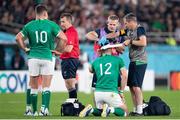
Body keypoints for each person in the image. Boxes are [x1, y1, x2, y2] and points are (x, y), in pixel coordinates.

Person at [16, 5, 67, 116]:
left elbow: (18, 38)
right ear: (45, 14)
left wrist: (25, 49)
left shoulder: (29, 25)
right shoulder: (51, 24)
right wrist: (58, 50)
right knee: (46, 86)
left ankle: (33, 111)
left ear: (36, 13)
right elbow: (64, 38)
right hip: (47, 57)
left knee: (33, 86)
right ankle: (44, 110)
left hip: (33, 57)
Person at [79, 41, 128, 118]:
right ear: (111, 49)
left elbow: (90, 70)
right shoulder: (118, 60)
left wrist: (99, 56)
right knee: (125, 111)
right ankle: (110, 109)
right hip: (111, 91)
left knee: (100, 111)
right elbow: (124, 76)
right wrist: (121, 91)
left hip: (98, 93)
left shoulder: (96, 61)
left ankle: (91, 110)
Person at [85, 15, 126, 89]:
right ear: (107, 23)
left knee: (117, 88)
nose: (112, 26)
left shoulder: (121, 34)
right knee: (97, 89)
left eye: (114, 24)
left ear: (117, 24)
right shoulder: (100, 31)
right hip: (100, 63)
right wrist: (99, 40)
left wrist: (113, 43)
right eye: (110, 24)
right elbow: (88, 35)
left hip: (113, 64)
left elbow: (122, 50)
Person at [123, 13, 147, 116]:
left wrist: (130, 41)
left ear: (131, 22)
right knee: (131, 87)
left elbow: (143, 42)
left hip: (140, 61)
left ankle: (140, 111)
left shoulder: (140, 29)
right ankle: (136, 109)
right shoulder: (128, 31)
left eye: (126, 23)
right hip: (133, 61)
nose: (125, 25)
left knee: (136, 87)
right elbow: (116, 34)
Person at [59, 13, 80, 98]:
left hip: (70, 59)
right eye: (61, 22)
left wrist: (57, 51)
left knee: (70, 84)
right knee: (68, 84)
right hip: (67, 60)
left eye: (63, 22)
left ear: (69, 21)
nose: (61, 24)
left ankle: (74, 105)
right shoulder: (66, 32)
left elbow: (68, 49)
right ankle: (73, 104)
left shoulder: (71, 31)